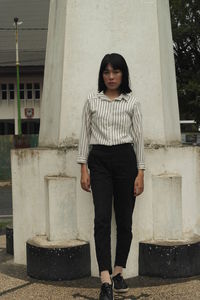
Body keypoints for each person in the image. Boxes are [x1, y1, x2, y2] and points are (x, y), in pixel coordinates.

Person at [77, 53, 145, 300]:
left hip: (126, 161)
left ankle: (118, 272)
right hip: (100, 161)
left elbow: (139, 139)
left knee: (125, 220)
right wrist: (83, 168)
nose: (111, 76)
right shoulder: (92, 100)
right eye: (106, 72)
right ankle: (105, 279)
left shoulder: (132, 102)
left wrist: (140, 172)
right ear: (101, 75)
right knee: (102, 219)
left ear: (123, 74)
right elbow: (85, 135)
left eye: (115, 72)